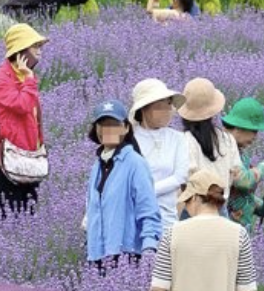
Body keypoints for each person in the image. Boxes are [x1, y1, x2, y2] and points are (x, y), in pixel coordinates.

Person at [149, 169, 258, 291]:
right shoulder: (239, 235)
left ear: (195, 197)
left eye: (187, 200)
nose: (185, 205)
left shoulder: (172, 234)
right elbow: (247, 288)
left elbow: (159, 288)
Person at [84, 99, 161, 270]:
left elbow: (148, 210)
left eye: (114, 124)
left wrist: (149, 248)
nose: (108, 130)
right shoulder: (97, 165)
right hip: (97, 254)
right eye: (102, 125)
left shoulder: (135, 163)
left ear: (126, 128)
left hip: (126, 255)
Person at [0, 23, 48, 215]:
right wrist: (29, 80)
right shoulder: (1, 79)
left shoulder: (25, 76)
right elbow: (22, 106)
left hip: (29, 159)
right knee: (9, 219)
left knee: (28, 220)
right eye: (36, 47)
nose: (40, 52)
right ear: (21, 51)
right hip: (9, 161)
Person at [129, 78, 188, 233]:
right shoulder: (129, 139)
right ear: (144, 109)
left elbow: (181, 176)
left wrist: (146, 191)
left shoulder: (178, 138)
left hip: (167, 219)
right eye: (160, 106)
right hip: (135, 216)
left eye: (169, 104)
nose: (168, 110)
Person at [224, 98, 264, 231]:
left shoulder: (238, 151)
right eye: (254, 131)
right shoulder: (224, 149)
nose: (256, 137)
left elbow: (240, 196)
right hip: (227, 230)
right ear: (238, 128)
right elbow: (244, 181)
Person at [180, 78, 239, 194]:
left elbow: (184, 178)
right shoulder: (227, 139)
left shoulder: (184, 141)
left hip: (194, 206)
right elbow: (235, 173)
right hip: (220, 204)